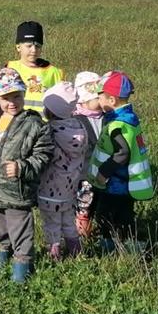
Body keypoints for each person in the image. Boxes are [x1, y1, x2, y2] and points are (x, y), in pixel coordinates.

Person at [0, 69, 53, 284]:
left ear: (24, 94)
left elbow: (43, 155)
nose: (12, 102)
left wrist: (22, 167)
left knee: (20, 227)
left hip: (16, 189)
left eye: (17, 96)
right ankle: (3, 252)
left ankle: (22, 265)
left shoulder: (34, 124)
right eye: (6, 98)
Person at [89, 71, 155, 252]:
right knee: (125, 217)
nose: (98, 101)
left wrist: (103, 173)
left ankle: (107, 249)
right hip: (127, 182)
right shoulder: (128, 118)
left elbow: (122, 153)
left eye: (100, 96)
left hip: (115, 183)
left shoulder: (118, 125)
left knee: (105, 216)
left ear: (112, 101)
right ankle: (133, 248)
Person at [38, 81, 92, 260]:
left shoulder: (50, 131)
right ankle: (76, 252)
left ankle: (54, 256)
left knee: (52, 224)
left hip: (50, 188)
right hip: (70, 188)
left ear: (50, 111)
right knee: (68, 221)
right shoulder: (80, 127)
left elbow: (46, 156)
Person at [5, 21, 63, 119]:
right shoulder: (9, 69)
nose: (34, 50)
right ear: (18, 47)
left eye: (38, 46)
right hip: (16, 125)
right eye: (29, 46)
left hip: (44, 127)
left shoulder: (53, 72)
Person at [73, 70, 104, 242]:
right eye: (96, 98)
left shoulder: (107, 117)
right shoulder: (75, 120)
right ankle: (81, 237)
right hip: (84, 173)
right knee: (83, 205)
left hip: (103, 172)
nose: (101, 100)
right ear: (84, 99)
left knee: (98, 203)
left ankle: (97, 228)